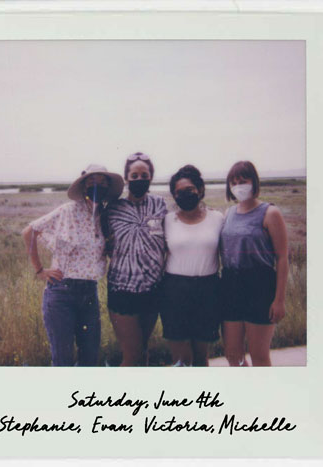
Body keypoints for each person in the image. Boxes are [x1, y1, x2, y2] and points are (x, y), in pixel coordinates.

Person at [21, 164, 124, 366]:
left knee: (90, 358)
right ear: (84, 186)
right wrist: (40, 270)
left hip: (89, 293)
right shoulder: (68, 211)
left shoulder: (105, 217)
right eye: (92, 182)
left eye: (102, 183)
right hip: (62, 293)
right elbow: (29, 231)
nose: (97, 186)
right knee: (63, 359)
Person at [220, 161, 289, 367]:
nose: (239, 185)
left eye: (243, 180)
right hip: (231, 285)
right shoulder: (228, 214)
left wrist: (279, 300)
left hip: (259, 286)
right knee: (233, 355)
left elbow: (283, 258)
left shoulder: (270, 213)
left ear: (254, 182)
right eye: (234, 182)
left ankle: (264, 396)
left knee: (259, 355)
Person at [103, 152, 167, 366]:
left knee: (143, 351)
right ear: (126, 178)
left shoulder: (160, 205)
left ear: (151, 177)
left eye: (144, 175)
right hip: (123, 290)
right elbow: (101, 241)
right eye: (134, 175)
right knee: (132, 356)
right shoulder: (113, 209)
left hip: (153, 289)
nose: (139, 179)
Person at [161, 165, 224, 366]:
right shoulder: (167, 220)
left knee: (201, 357)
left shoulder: (217, 219)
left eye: (189, 190)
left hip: (208, 289)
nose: (184, 195)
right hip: (174, 290)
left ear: (200, 190)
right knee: (181, 359)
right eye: (178, 192)